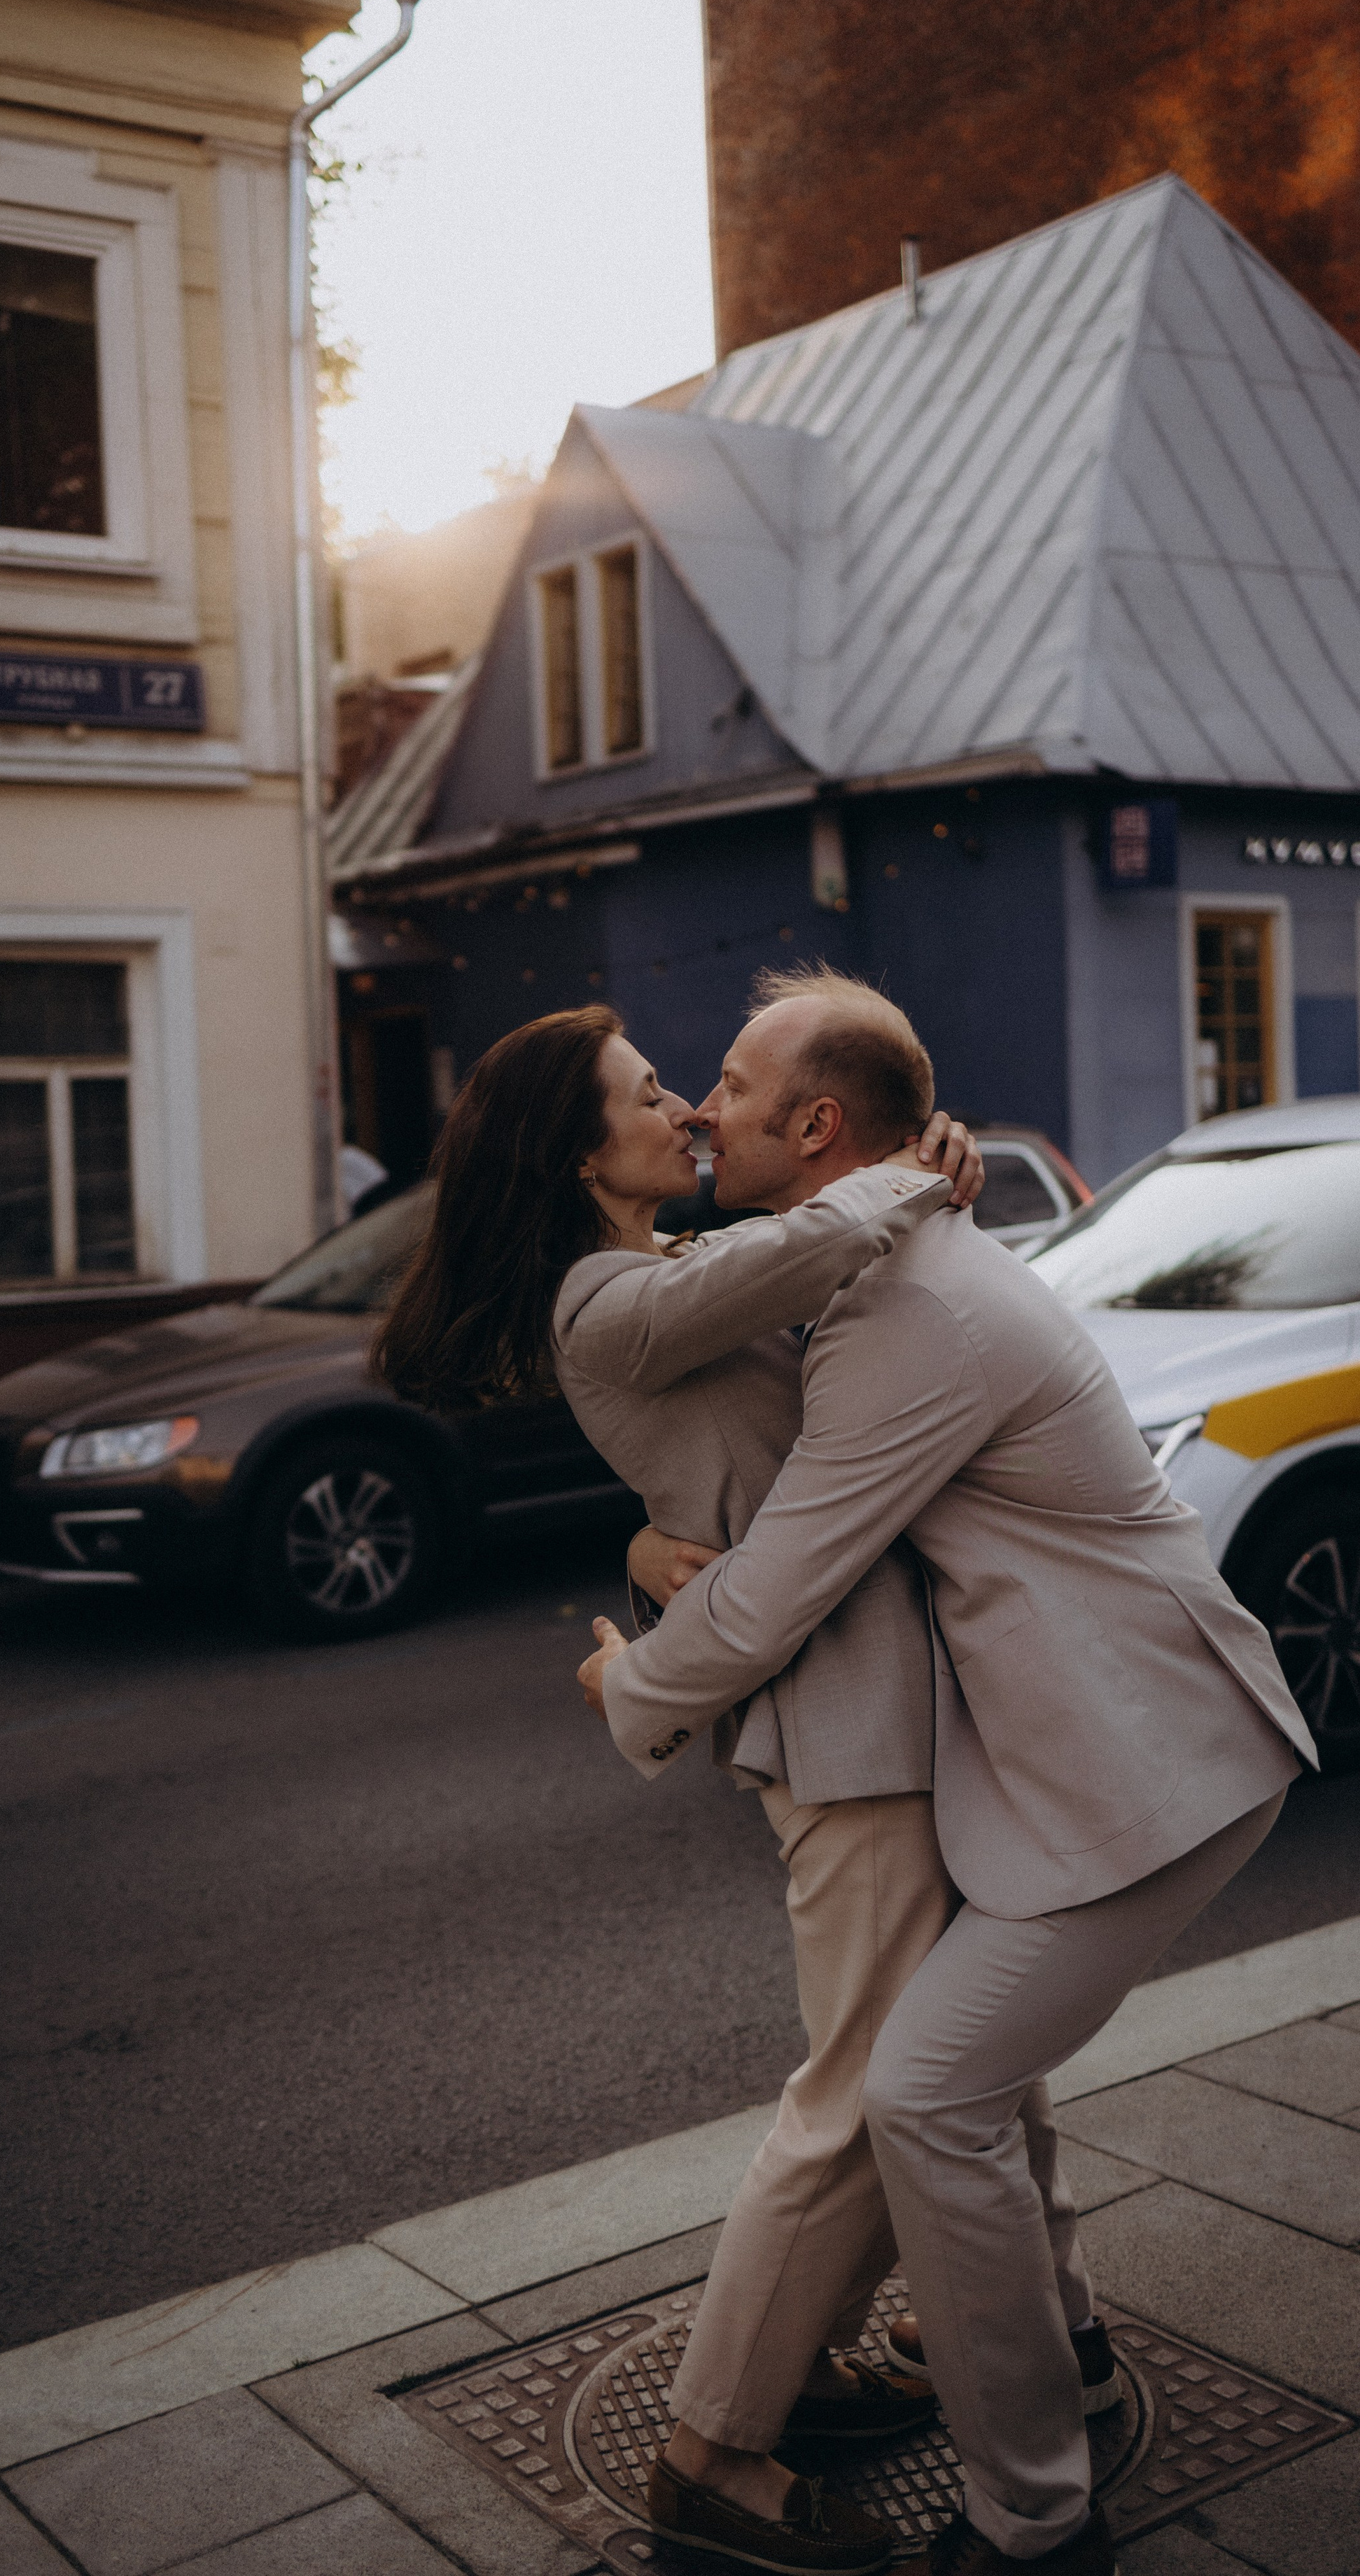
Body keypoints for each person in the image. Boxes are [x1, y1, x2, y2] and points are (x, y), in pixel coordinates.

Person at [577, 969, 1319, 2576]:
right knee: (976, 2081)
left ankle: (1033, 2520)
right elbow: (710, 1332)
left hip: (1149, 1764)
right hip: (1099, 1762)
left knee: (925, 2095)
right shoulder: (879, 1259)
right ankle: (1065, 2352)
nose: (700, 1104)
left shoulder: (904, 1318)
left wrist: (633, 1683)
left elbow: (778, 1583)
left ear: (816, 1126)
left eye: (724, 1080)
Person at [375, 994, 985, 2576]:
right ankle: (715, 2452)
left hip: (879, 1710)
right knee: (856, 2097)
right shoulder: (605, 1299)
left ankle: (828, 2358)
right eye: (657, 1095)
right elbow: (794, 1262)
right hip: (841, 1731)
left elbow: (721, 1469)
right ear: (580, 1150)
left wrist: (645, 1558)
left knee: (907, 2079)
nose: (693, 1116)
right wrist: (917, 1165)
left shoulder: (644, 1281)